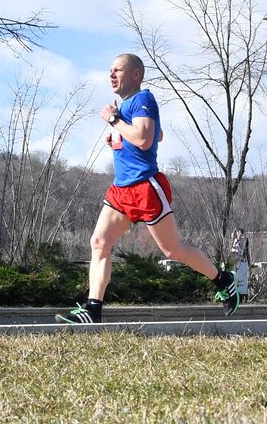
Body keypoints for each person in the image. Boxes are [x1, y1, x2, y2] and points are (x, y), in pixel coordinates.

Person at [57, 53, 242, 324]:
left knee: (172, 250)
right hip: (121, 190)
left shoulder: (143, 100)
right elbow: (156, 135)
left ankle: (223, 280)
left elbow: (144, 139)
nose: (111, 75)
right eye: (109, 70)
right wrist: (121, 134)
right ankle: (93, 309)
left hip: (145, 187)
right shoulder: (126, 108)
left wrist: (113, 121)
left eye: (117, 70)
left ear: (136, 75)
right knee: (99, 243)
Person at [231, 227, 251, 300]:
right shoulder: (235, 240)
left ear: (242, 234)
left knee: (242, 277)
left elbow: (245, 250)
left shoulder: (245, 240)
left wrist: (248, 261)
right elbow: (232, 249)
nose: (238, 235)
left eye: (239, 233)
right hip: (235, 260)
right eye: (237, 233)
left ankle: (242, 294)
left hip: (242, 261)